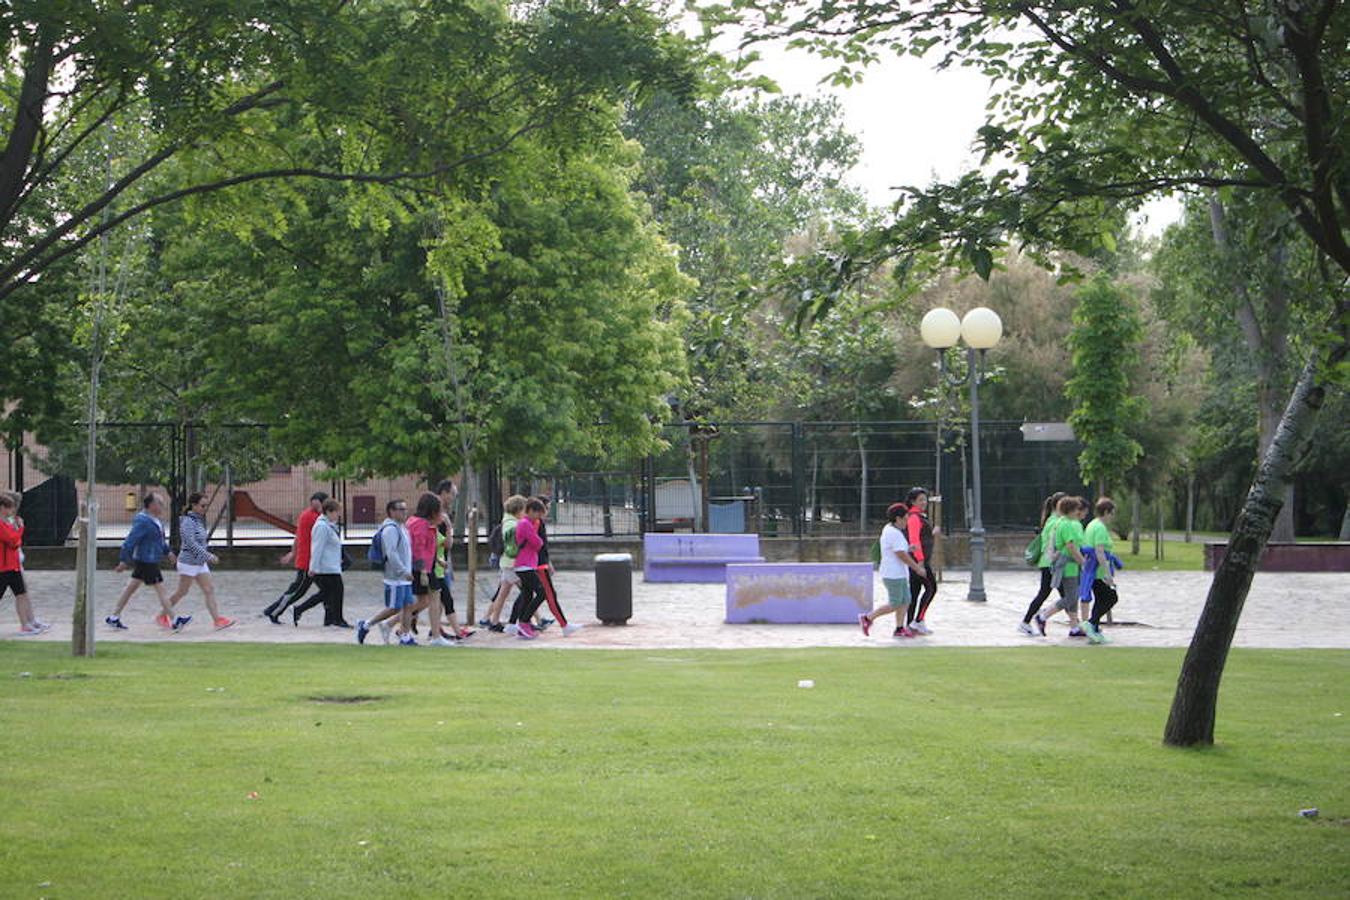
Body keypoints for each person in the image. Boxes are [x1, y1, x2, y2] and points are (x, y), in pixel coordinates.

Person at [108, 493, 182, 630]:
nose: (163, 506)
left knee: (130, 588)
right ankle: (174, 619)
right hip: (147, 560)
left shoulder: (155, 520)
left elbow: (159, 540)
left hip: (148, 558)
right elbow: (130, 541)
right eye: (160, 503)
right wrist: (124, 560)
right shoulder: (143, 521)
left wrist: (168, 552)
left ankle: (114, 616)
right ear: (152, 505)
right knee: (161, 590)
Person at [165, 492, 235, 631]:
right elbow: (191, 544)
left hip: (199, 563)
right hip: (188, 563)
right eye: (202, 505)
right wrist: (208, 556)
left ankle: (217, 620)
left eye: (206, 506)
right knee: (181, 592)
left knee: (209, 590)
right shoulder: (187, 522)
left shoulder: (198, 520)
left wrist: (204, 557)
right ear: (194, 505)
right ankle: (162, 614)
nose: (205, 508)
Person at [859, 502, 927, 638]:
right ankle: (868, 618)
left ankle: (899, 628)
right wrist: (917, 568)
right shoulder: (894, 533)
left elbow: (898, 549)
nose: (907, 522)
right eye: (905, 519)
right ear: (898, 519)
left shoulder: (891, 530)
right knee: (895, 603)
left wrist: (909, 549)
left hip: (898, 573)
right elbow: (900, 554)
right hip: (893, 574)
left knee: (906, 600)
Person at [355, 499, 416, 646]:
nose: (404, 512)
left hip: (405, 575)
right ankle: (366, 624)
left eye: (405, 509)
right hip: (395, 576)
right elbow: (391, 553)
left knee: (408, 605)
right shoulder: (390, 529)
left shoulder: (403, 528)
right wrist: (402, 570)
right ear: (392, 511)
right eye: (400, 509)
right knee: (394, 607)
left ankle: (405, 635)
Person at [263, 491, 328, 624]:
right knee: (297, 591)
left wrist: (292, 553)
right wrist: (293, 553)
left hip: (310, 561)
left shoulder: (309, 515)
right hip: (308, 562)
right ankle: (273, 611)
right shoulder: (314, 517)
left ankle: (329, 615)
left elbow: (298, 536)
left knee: (326, 590)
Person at [1033, 495, 1087, 637]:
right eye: (1076, 509)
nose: (1078, 512)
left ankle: (1074, 627)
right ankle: (1044, 615)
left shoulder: (1060, 522)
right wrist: (1082, 562)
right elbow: (1070, 546)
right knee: (1071, 597)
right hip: (1068, 567)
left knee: (1072, 597)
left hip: (1065, 566)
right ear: (1070, 510)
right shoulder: (1067, 524)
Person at [294, 499, 349, 628]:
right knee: (335, 592)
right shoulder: (322, 526)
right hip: (325, 568)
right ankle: (337, 619)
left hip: (331, 566)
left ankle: (302, 610)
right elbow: (317, 548)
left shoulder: (328, 525)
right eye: (336, 512)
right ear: (329, 512)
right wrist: (313, 567)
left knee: (327, 593)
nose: (338, 515)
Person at [532, 495, 582, 636]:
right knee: (550, 595)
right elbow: (537, 545)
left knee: (528, 595)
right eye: (546, 507)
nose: (547, 510)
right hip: (539, 565)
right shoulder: (536, 522)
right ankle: (564, 625)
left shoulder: (538, 522)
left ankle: (517, 622)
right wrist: (544, 562)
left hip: (540, 562)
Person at [1019, 491, 1067, 636]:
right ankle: (1033, 619)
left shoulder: (1051, 520)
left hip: (1048, 563)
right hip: (1051, 563)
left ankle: (1034, 618)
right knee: (1066, 596)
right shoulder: (1055, 522)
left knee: (1060, 595)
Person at [0, 492, 47, 635]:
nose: (11, 511)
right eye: (9, 508)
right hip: (3, 568)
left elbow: (15, 541)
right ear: (2, 507)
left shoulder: (7, 523)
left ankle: (25, 625)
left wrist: (17, 535)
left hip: (13, 566)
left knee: (21, 594)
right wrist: (20, 529)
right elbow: (12, 540)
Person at [432, 482, 473, 640]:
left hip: (442, 564)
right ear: (444, 493)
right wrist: (449, 528)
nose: (454, 498)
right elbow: (445, 543)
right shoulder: (438, 516)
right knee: (438, 599)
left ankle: (437, 628)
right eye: (452, 494)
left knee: (436, 600)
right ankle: (456, 631)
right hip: (436, 564)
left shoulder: (442, 513)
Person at [1080, 497, 1123, 644]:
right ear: (1106, 512)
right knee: (1111, 597)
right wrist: (1107, 573)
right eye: (1112, 513)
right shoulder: (1099, 528)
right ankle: (1091, 623)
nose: (1113, 517)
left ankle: (1095, 629)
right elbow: (1099, 551)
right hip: (1098, 572)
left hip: (1093, 571)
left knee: (1100, 599)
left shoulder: (1092, 525)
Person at [483, 495, 527, 632]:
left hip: (506, 563)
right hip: (512, 564)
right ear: (519, 510)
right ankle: (521, 621)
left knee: (503, 593)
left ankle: (494, 621)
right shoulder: (513, 525)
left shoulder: (508, 522)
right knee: (528, 591)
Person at [506, 497, 549, 640]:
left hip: (526, 565)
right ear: (530, 511)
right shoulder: (525, 524)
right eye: (537, 514)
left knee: (527, 595)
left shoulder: (526, 523)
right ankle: (524, 621)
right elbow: (538, 543)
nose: (539, 518)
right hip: (525, 565)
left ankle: (523, 624)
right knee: (542, 593)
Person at [903, 487, 938, 635]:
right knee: (931, 588)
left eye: (925, 499)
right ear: (913, 501)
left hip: (918, 561)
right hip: (919, 562)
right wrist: (920, 562)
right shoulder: (914, 518)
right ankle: (918, 620)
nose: (924, 502)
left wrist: (933, 532)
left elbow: (921, 536)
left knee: (915, 592)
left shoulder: (919, 516)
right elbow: (914, 540)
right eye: (920, 500)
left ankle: (910, 623)